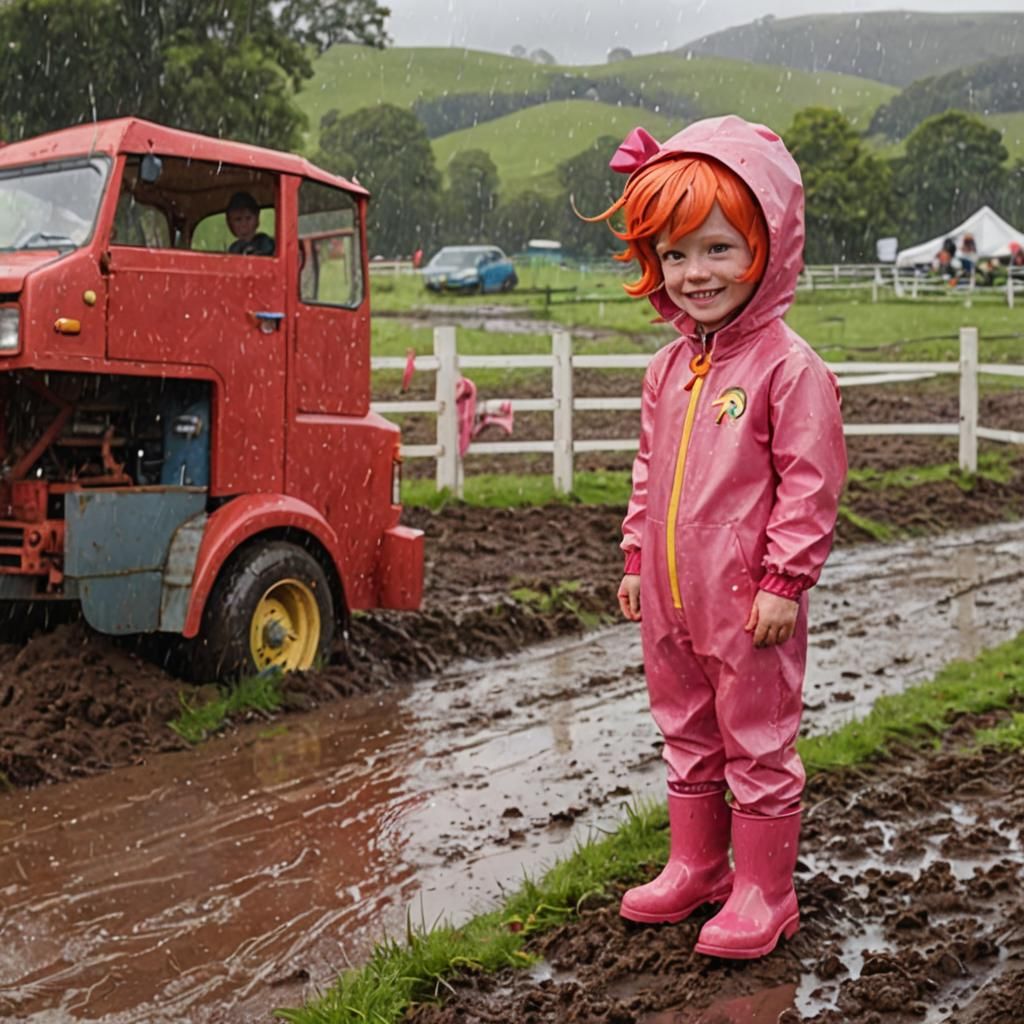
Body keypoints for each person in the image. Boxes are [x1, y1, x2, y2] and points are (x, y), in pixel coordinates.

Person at [585, 116, 847, 959]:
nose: (694, 274)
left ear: (768, 247)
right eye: (675, 254)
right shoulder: (667, 368)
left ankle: (765, 889)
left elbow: (811, 483)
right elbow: (648, 466)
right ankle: (697, 863)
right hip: (669, 591)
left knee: (757, 736)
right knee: (686, 725)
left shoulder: (788, 368)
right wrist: (634, 555)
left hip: (747, 596)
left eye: (717, 250)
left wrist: (783, 580)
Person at [225, 191, 275, 256]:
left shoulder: (265, 242)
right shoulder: (234, 248)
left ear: (257, 219)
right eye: (238, 219)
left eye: (248, 218)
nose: (244, 224)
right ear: (230, 224)